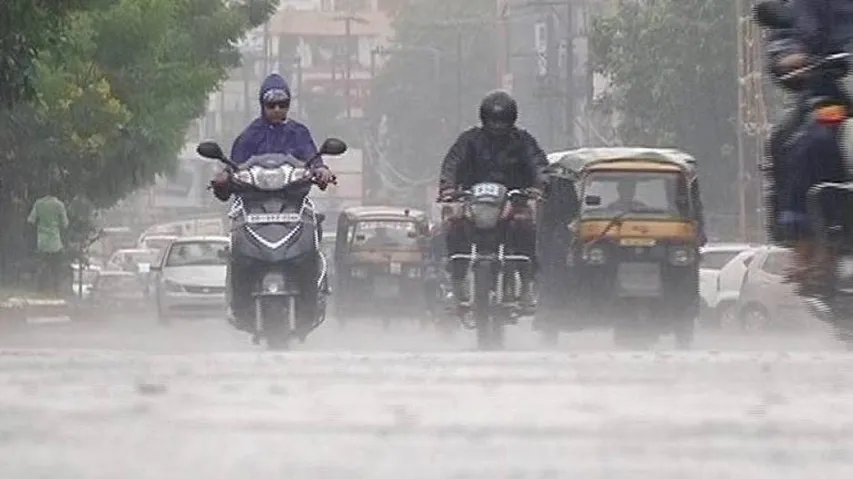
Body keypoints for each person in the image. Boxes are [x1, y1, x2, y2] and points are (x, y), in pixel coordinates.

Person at [210, 73, 334, 334]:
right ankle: (239, 298)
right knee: (235, 235)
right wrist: (223, 177)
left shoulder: (299, 133)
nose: (277, 110)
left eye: (283, 104)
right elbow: (232, 168)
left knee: (315, 225)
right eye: (271, 105)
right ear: (262, 105)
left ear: (289, 105)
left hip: (293, 203)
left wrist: (321, 171)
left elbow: (315, 161)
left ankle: (314, 289)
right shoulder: (249, 136)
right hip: (254, 205)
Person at [765, 0, 853, 292]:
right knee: (805, 140)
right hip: (834, 96)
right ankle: (807, 242)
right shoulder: (809, 5)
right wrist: (791, 57)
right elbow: (787, 34)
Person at [438, 90, 548, 311]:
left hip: (513, 201)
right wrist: (448, 187)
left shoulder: (523, 141)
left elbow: (538, 164)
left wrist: (539, 186)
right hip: (472, 202)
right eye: (493, 120)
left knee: (525, 224)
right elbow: (452, 163)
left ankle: (526, 283)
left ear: (512, 119)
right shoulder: (469, 141)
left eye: (503, 121)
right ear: (484, 118)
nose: (498, 126)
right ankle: (457, 278)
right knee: (454, 223)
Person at [27, 191, 69, 296]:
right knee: (56, 267)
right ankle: (56, 289)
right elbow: (65, 224)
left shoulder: (38, 203)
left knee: (42, 264)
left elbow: (31, 220)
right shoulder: (59, 205)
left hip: (42, 241)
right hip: (55, 242)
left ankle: (39, 288)